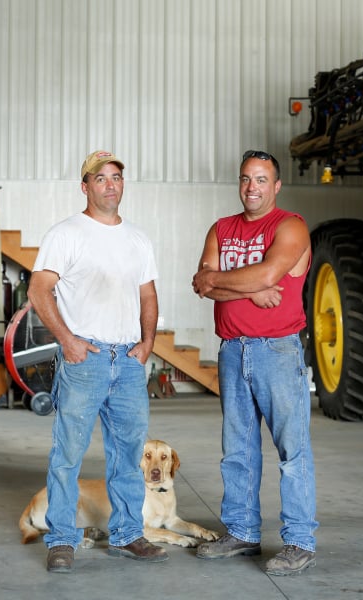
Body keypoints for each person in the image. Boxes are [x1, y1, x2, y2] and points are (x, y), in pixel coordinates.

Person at [27, 150, 167, 573]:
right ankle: (62, 540)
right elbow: (39, 290)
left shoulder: (138, 239)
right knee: (67, 453)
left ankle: (127, 535)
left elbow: (148, 295)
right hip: (83, 357)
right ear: (85, 186)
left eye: (117, 177)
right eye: (101, 177)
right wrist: (67, 340)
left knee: (128, 455)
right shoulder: (66, 233)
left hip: (127, 361)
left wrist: (147, 343)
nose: (110, 184)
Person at [191, 150, 318, 576]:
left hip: (276, 351)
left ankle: (299, 541)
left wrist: (233, 281)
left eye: (262, 180)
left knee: (292, 449)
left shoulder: (290, 226)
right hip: (232, 350)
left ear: (276, 186)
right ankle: (242, 533)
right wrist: (249, 287)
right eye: (246, 179)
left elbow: (265, 276)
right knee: (238, 450)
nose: (252, 187)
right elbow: (201, 283)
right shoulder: (221, 228)